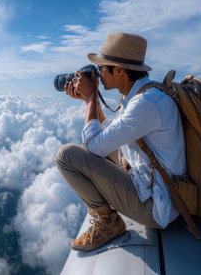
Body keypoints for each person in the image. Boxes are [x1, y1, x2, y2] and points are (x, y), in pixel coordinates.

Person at [55, 32, 185, 252]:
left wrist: (91, 98)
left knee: (66, 156)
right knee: (97, 150)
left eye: (103, 68)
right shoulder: (145, 94)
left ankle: (108, 222)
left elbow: (93, 145)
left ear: (121, 71)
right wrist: (90, 102)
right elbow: (109, 137)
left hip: (156, 205)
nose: (98, 73)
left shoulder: (145, 104)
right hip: (157, 182)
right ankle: (106, 213)